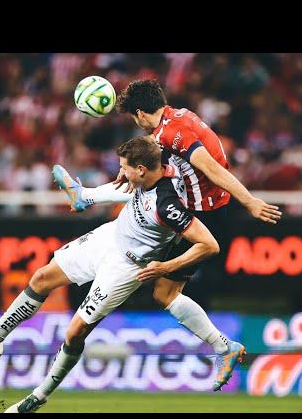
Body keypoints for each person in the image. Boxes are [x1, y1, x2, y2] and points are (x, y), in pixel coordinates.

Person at [0, 136, 245, 412]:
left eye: (124, 169)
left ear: (142, 170)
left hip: (127, 266)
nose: (120, 173)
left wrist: (166, 267)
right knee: (41, 278)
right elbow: (153, 149)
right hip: (110, 237)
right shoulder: (158, 163)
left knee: (74, 331)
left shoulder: (167, 206)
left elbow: (209, 245)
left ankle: (39, 396)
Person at [54, 78, 281, 348]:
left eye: (134, 118)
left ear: (140, 113)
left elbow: (212, 168)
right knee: (141, 182)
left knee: (165, 293)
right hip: (195, 199)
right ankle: (85, 196)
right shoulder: (176, 117)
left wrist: (250, 200)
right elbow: (157, 142)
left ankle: (223, 346)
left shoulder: (175, 133)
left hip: (202, 211)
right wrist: (130, 163)